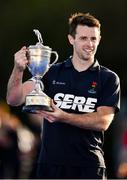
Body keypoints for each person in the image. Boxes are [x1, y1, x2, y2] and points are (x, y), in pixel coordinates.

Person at [6, 12, 120, 179]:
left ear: (99, 39)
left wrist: (63, 116)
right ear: (71, 39)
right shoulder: (51, 71)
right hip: (50, 166)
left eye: (93, 39)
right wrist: (18, 69)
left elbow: (102, 121)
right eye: (83, 38)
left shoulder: (108, 78)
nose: (89, 44)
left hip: (89, 166)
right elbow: (14, 98)